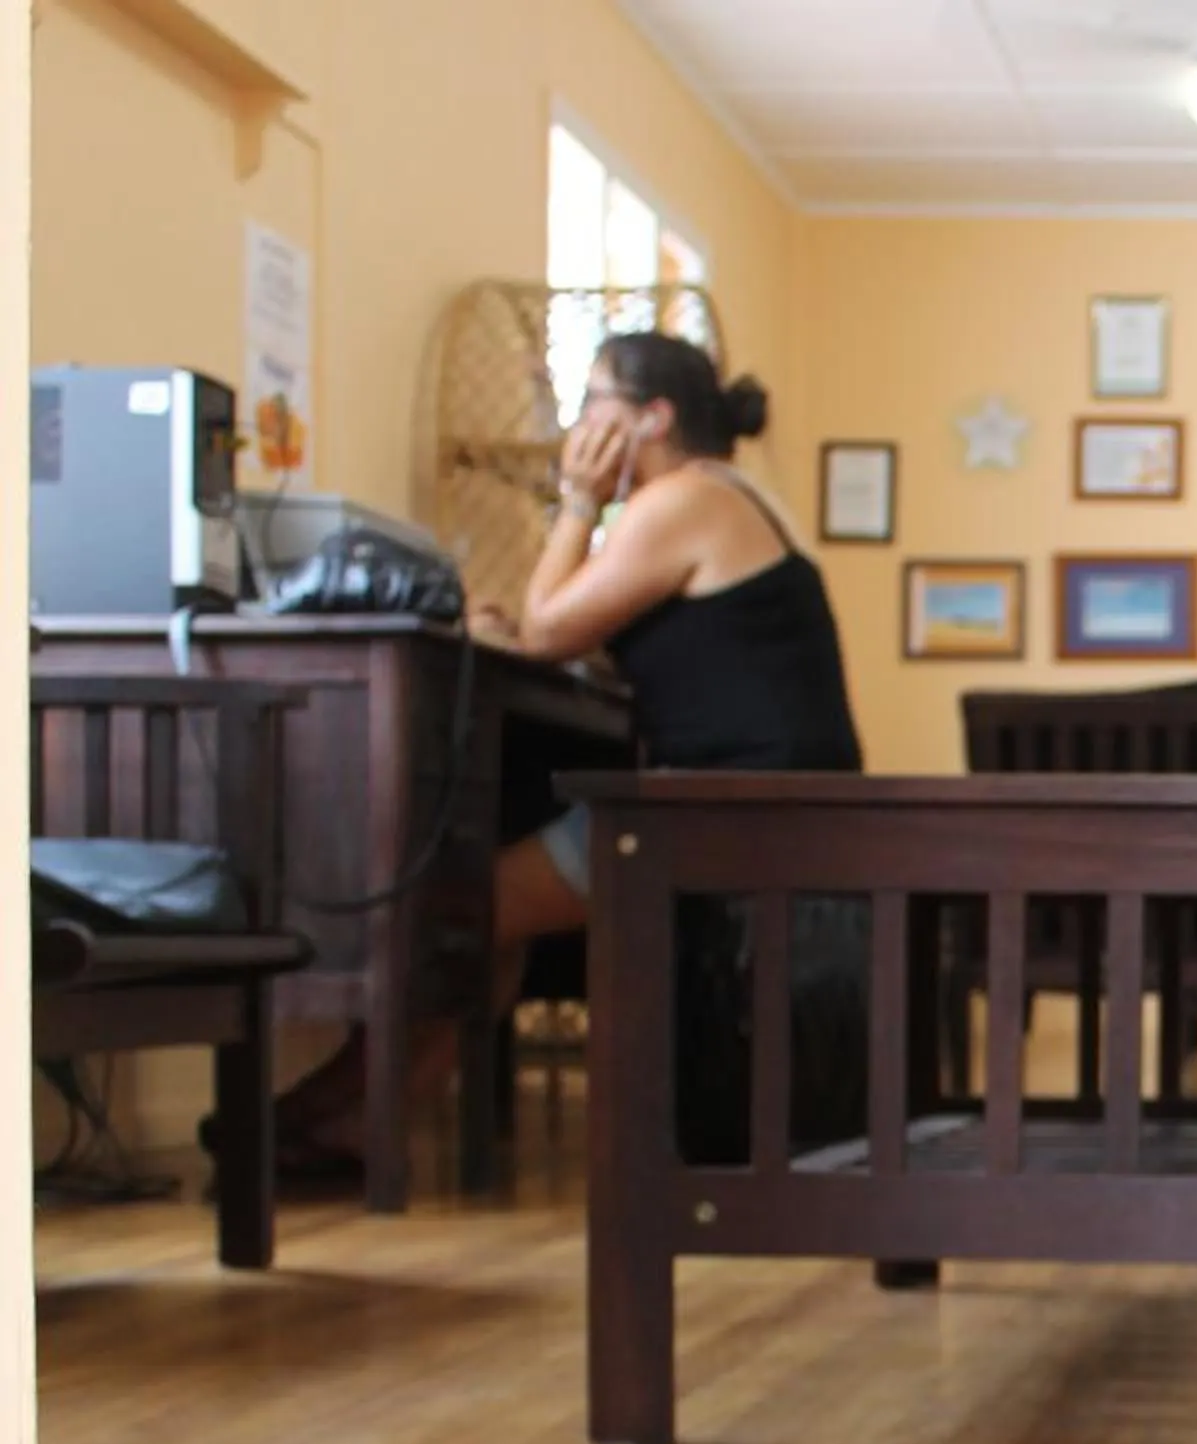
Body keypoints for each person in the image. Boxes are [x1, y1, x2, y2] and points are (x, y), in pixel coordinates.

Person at [260, 330, 863, 1173]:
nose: (575, 426)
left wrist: (577, 501)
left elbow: (547, 629)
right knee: (488, 905)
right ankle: (354, 1113)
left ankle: (351, 1113)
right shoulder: (721, 500)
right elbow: (594, 631)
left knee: (466, 908)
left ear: (651, 419)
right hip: (749, 800)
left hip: (724, 811)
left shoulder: (682, 501)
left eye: (591, 403)